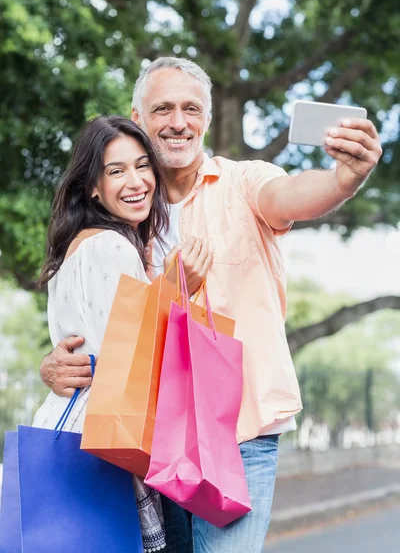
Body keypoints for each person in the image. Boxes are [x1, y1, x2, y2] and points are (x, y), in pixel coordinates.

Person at [39, 58, 382, 552]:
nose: (178, 121)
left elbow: (292, 195)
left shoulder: (244, 182)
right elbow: (105, 329)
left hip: (237, 433)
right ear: (137, 116)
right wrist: (56, 364)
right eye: (163, 108)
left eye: (191, 108)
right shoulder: (129, 221)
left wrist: (344, 179)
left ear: (205, 117)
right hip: (158, 438)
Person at [33, 115, 211, 553]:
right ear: (93, 186)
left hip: (67, 426)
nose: (136, 181)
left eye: (142, 165)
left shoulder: (70, 251)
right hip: (115, 441)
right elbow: (140, 358)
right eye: (116, 171)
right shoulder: (113, 247)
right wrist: (177, 287)